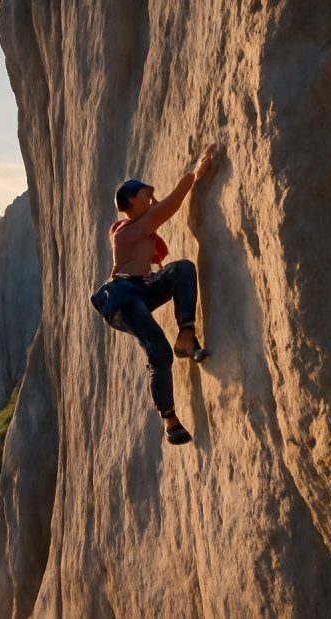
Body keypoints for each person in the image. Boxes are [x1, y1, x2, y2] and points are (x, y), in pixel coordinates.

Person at [90, 146, 213, 445]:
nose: (152, 198)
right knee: (158, 352)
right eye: (146, 194)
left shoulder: (133, 226)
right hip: (122, 296)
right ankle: (169, 420)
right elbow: (169, 205)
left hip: (142, 289)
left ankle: (186, 335)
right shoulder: (126, 231)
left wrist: (153, 202)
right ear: (130, 201)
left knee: (182, 269)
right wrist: (195, 174)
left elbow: (157, 210)